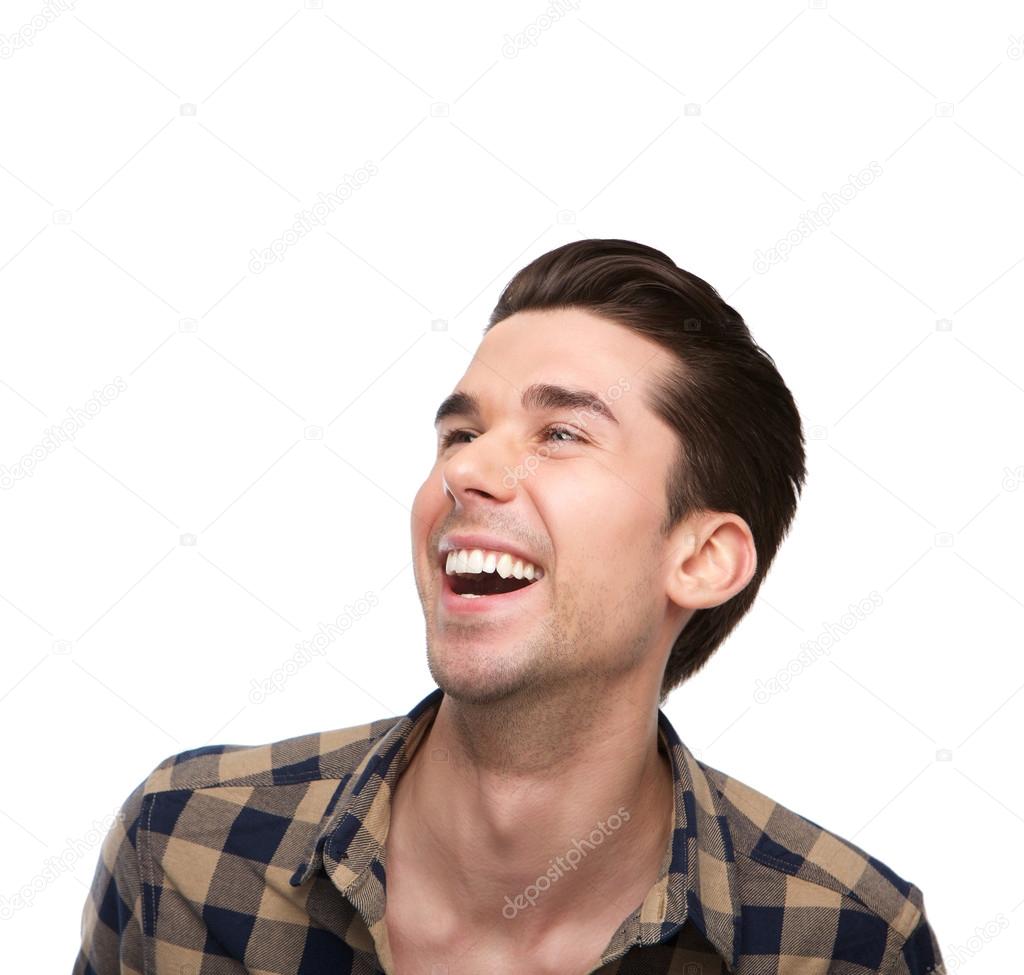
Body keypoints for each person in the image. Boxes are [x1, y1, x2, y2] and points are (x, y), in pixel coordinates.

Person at [74, 239, 945, 974]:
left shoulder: (845, 940)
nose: (466, 470)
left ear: (702, 559)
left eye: (560, 434)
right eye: (460, 434)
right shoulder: (184, 850)